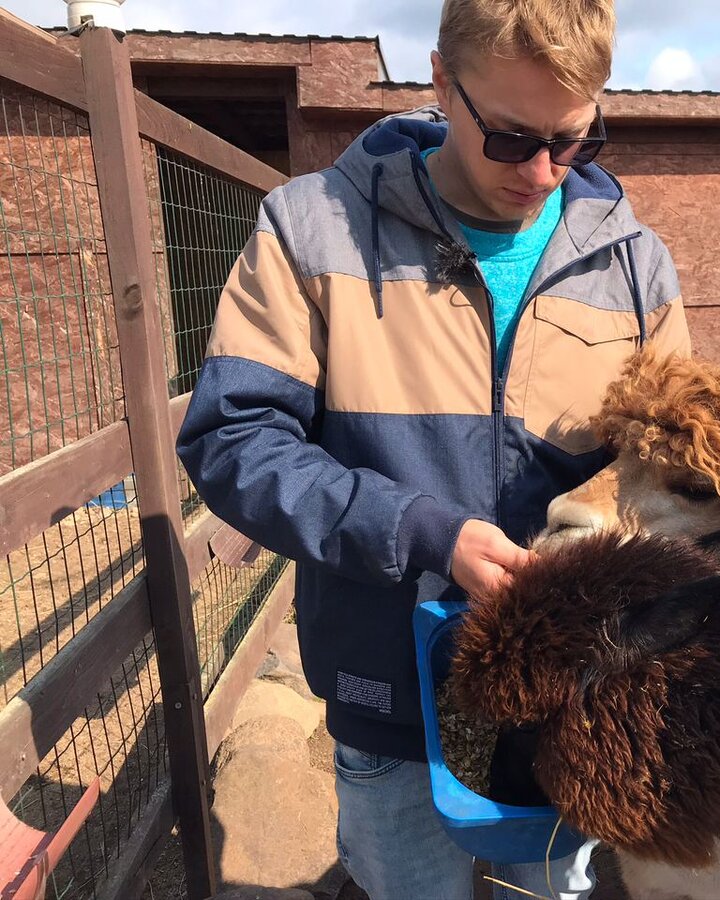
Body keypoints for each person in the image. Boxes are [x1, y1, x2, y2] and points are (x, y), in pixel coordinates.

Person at [176, 0, 691, 897]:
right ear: (444, 85)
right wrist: (418, 529)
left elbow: (672, 468)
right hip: (391, 692)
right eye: (510, 139)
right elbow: (234, 439)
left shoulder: (636, 265)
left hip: (578, 698)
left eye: (573, 140)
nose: (540, 173)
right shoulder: (313, 228)